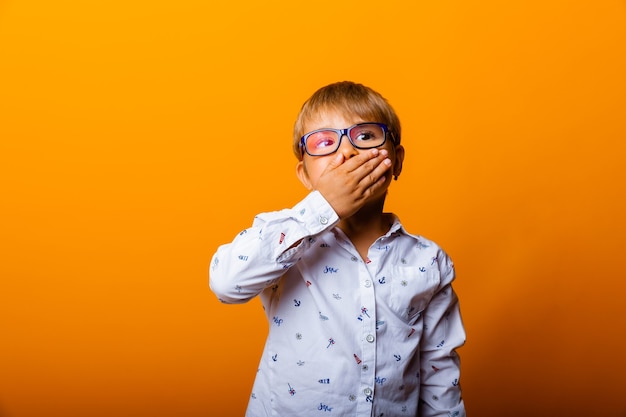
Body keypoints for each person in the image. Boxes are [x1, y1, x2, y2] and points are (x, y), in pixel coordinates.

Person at [209, 81, 466, 417]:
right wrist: (322, 206)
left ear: (396, 162)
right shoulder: (284, 239)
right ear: (305, 175)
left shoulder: (427, 261)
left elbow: (439, 377)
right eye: (325, 142)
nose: (346, 153)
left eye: (365, 137)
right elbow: (226, 284)